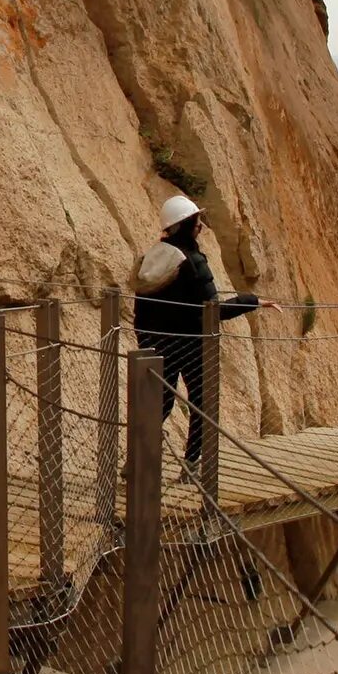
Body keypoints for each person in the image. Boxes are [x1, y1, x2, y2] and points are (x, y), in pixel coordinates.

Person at [133, 194, 261, 485]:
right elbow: (213, 309)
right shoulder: (192, 261)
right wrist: (252, 300)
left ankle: (136, 460)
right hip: (191, 346)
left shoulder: (153, 258)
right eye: (197, 221)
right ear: (189, 225)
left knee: (159, 404)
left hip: (156, 346)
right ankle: (190, 468)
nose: (201, 226)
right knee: (202, 403)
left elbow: (141, 312)